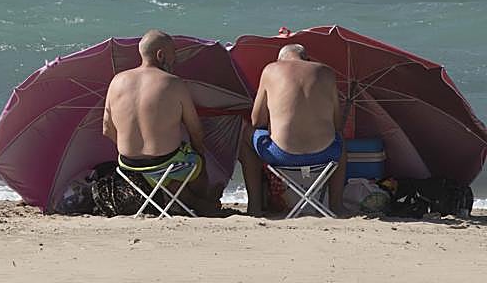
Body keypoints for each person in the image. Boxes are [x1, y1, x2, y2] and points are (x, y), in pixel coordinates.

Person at [102, 29, 220, 214]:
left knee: (176, 160)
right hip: (166, 164)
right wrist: (199, 152)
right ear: (160, 54)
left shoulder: (117, 81)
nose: (176, 60)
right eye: (174, 54)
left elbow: (107, 129)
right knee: (196, 161)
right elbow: (196, 131)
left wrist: (133, 147)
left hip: (128, 165)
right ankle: (201, 203)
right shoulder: (173, 83)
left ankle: (181, 197)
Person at [238, 44, 346, 216]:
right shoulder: (326, 72)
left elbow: (256, 120)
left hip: (282, 155)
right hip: (325, 154)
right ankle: (336, 205)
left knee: (246, 136)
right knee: (340, 142)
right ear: (307, 59)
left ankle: (255, 207)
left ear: (280, 60)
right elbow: (337, 124)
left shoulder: (271, 70)